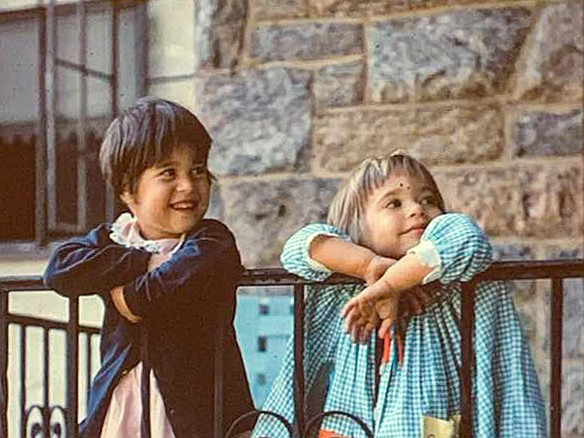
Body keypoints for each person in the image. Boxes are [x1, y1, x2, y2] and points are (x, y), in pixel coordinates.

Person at [252, 153, 546, 437]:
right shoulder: (341, 285)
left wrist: (390, 285)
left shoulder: (452, 282)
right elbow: (298, 248)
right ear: (356, 229)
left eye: (428, 200)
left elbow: (465, 237)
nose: (417, 209)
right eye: (394, 203)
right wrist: (370, 266)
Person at [44, 97, 254, 437]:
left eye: (197, 170)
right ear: (128, 189)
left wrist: (123, 287)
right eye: (168, 173)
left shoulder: (212, 242)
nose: (187, 185)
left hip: (198, 415)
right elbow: (59, 268)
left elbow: (140, 301)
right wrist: (142, 260)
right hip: (123, 407)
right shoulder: (117, 238)